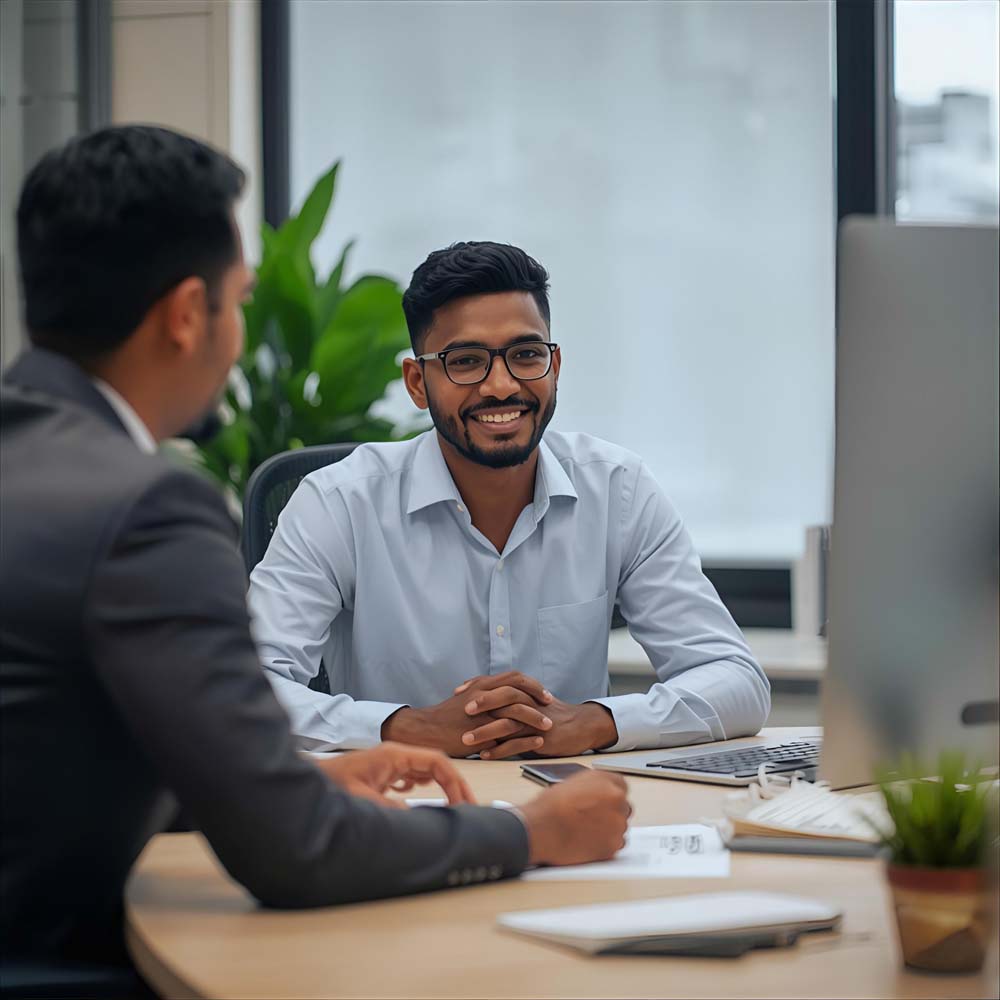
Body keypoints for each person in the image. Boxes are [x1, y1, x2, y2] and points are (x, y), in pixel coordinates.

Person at [0, 128, 630, 979]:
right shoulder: (145, 508)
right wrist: (531, 833)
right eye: (239, 299)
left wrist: (295, 781)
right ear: (189, 315)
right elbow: (294, 853)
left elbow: (63, 749)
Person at [248, 241, 771, 760]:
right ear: (416, 383)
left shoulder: (618, 491)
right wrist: (409, 729)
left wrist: (595, 722)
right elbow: (247, 689)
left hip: (570, 810)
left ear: (555, 365)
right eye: (466, 361)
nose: (501, 386)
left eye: (525, 355)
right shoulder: (339, 504)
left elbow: (736, 680)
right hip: (401, 816)